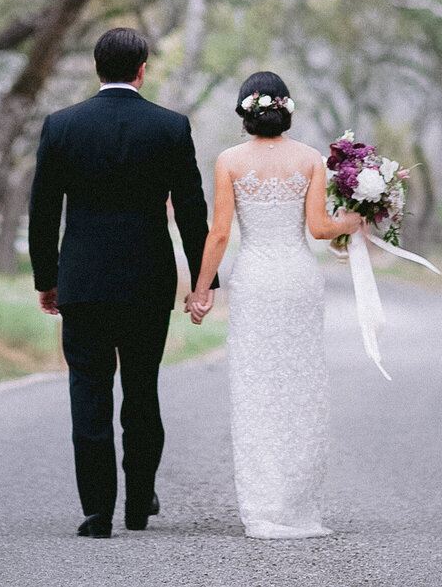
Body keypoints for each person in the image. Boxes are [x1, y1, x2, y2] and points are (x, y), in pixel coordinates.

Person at [28, 26, 217, 538]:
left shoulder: (62, 126)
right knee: (141, 389)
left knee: (88, 391)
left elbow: (44, 210)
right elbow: (193, 212)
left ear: (96, 67)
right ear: (142, 69)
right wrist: (204, 278)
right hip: (148, 281)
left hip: (83, 281)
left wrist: (47, 278)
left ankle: (97, 512)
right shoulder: (170, 127)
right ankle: (138, 503)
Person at [186, 70, 361, 538]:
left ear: (245, 112)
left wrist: (202, 289)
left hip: (257, 279)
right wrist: (355, 221)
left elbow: (220, 233)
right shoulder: (309, 159)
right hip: (299, 280)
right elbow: (321, 229)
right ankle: (296, 504)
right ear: (286, 109)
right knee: (301, 386)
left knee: (256, 388)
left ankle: (264, 505)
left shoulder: (228, 161)